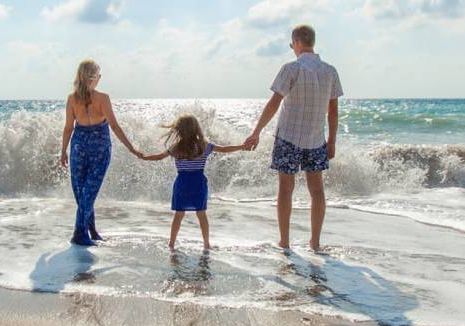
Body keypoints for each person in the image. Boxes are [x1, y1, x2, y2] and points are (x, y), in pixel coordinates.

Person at [242, 24, 343, 252]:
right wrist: (333, 141)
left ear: (296, 43)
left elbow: (274, 103)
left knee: (285, 189)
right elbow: (334, 112)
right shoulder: (330, 71)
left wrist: (256, 131)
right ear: (312, 42)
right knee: (317, 191)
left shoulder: (291, 69)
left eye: (291, 45)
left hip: (288, 137)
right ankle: (315, 243)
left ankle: (285, 242)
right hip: (316, 139)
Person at [60, 59, 142, 246]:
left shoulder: (72, 98)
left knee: (84, 192)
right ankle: (80, 233)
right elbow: (114, 125)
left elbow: (68, 128)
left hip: (79, 146)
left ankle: (91, 230)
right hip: (99, 147)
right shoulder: (102, 98)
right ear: (94, 77)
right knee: (86, 192)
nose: (100, 77)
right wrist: (132, 148)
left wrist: (63, 151)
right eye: (99, 74)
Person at [137, 114, 249, 250]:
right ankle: (206, 244)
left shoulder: (176, 147)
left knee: (179, 214)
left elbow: (159, 157)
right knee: (201, 214)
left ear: (178, 130)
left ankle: (171, 243)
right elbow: (224, 149)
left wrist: (143, 157)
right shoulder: (204, 146)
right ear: (196, 129)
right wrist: (242, 147)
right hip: (198, 183)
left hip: (182, 183)